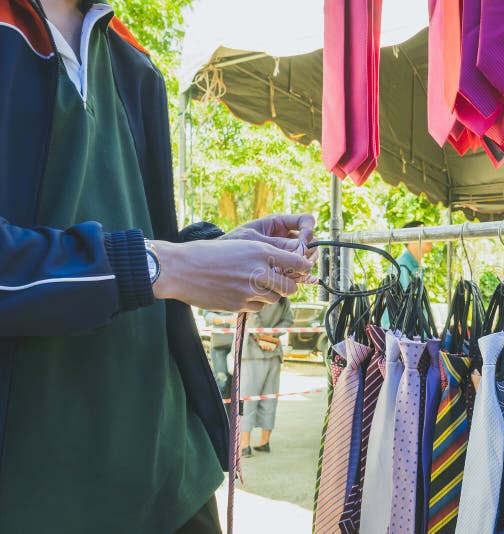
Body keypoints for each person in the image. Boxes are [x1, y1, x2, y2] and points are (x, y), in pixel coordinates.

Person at [0, 1, 316, 532]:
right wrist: (162, 265)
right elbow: (146, 264)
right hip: (36, 492)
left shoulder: (132, 60)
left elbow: (145, 243)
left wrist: (213, 252)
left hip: (172, 482)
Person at [238, 297, 294, 457]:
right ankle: (264, 442)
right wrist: (271, 335)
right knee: (270, 397)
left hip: (253, 352)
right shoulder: (283, 298)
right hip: (274, 351)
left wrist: (263, 336)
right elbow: (288, 320)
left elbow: (251, 318)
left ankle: (244, 445)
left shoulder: (255, 292)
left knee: (248, 398)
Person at [203, 310, 236, 397]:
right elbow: (206, 315)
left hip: (242, 345)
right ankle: (223, 409)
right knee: (222, 383)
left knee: (238, 385)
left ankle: (235, 410)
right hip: (220, 345)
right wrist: (226, 319)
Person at [396, 220, 433, 289]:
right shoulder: (402, 265)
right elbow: (406, 298)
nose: (429, 238)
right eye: (424, 234)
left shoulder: (416, 265)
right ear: (410, 239)